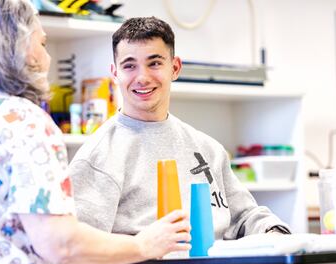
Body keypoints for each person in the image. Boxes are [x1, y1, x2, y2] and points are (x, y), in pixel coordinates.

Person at [0, 3, 192, 264]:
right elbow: (62, 245)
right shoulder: (23, 121)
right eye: (42, 43)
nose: (47, 58)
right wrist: (145, 245)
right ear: (20, 46)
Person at [69, 16, 291, 241]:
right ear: (115, 73)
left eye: (154, 63)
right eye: (129, 66)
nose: (142, 77)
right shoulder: (97, 156)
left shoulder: (208, 149)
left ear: (174, 68)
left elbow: (244, 216)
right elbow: (80, 246)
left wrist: (274, 231)